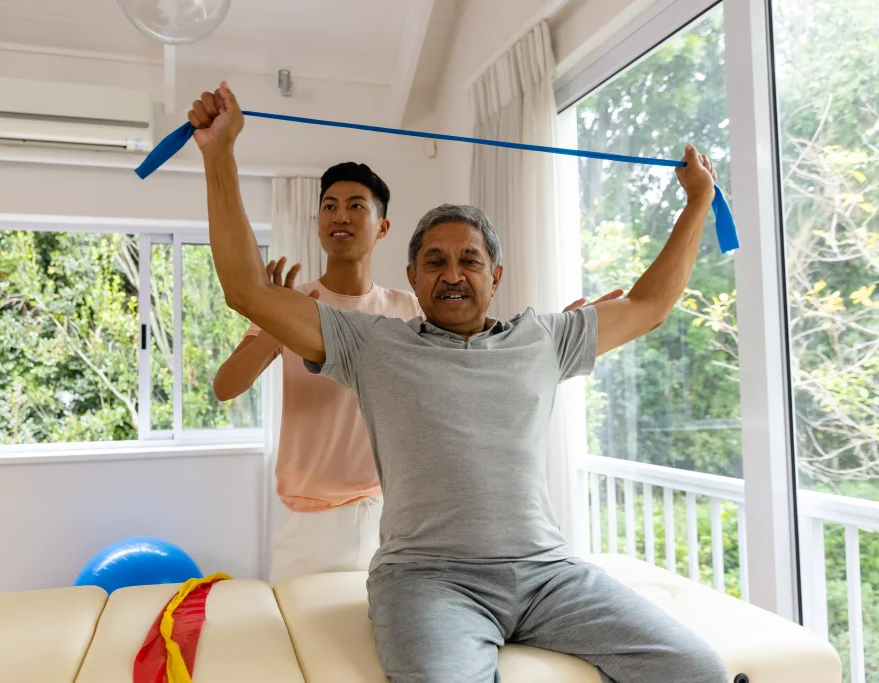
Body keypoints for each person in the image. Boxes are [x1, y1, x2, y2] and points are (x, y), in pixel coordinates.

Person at [190, 82, 727, 683]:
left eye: (469, 260)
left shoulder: (545, 338)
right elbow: (246, 290)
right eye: (435, 262)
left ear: (495, 275)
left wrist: (697, 204)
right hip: (427, 579)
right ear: (412, 279)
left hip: (550, 574)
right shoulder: (373, 341)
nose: (452, 274)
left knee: (697, 667)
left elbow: (651, 304)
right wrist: (220, 154)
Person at [213, 162, 618, 586]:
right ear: (317, 224)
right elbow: (227, 387)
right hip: (309, 520)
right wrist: (273, 326)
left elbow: (480, 348)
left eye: (356, 206)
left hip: (396, 518)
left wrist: (551, 340)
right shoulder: (292, 306)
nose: (341, 216)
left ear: (382, 227)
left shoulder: (410, 308)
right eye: (329, 206)